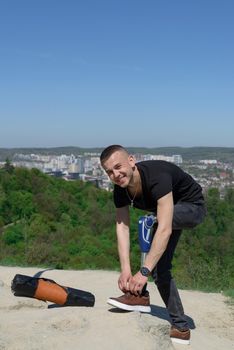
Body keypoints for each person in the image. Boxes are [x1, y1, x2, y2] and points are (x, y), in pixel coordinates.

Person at [100, 145, 206, 345]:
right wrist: (125, 270)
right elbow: (122, 227)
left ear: (131, 161)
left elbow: (164, 228)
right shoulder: (120, 189)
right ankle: (178, 324)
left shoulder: (157, 176)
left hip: (193, 208)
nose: (115, 174)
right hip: (164, 216)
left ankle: (144, 295)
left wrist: (143, 272)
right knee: (159, 269)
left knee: (152, 223)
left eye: (118, 166)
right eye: (109, 172)